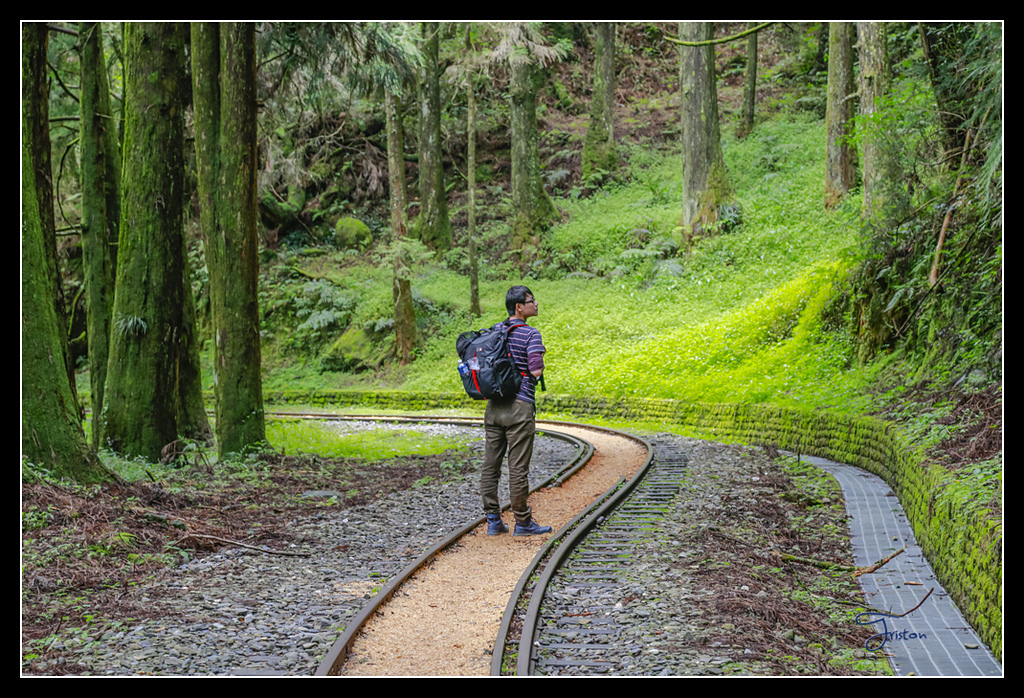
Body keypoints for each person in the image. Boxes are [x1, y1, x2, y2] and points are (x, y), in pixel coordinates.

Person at [481, 286, 553, 536]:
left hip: (493, 408)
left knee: (491, 465)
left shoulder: (494, 332)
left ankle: (493, 520)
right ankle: (522, 522)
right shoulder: (531, 334)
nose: (536, 304)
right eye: (531, 301)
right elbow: (536, 370)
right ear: (519, 307)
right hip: (520, 407)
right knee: (518, 467)